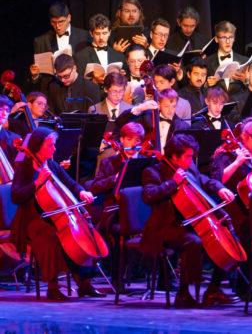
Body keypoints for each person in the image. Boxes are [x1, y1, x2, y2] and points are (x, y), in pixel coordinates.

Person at [140, 133, 235, 308]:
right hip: (165, 227)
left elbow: (204, 181)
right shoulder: (153, 171)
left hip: (189, 224)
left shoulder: (189, 168)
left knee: (225, 231)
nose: (192, 160)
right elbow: (149, 195)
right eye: (188, 156)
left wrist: (220, 188)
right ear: (174, 157)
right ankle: (184, 293)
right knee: (194, 242)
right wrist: (172, 183)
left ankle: (213, 288)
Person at [10, 127, 104, 301]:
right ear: (38, 146)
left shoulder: (51, 165)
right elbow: (16, 196)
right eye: (50, 145)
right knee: (51, 236)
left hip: (55, 215)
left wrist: (82, 192)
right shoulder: (24, 167)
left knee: (81, 231)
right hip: (32, 219)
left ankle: (84, 282)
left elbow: (71, 184)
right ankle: (52, 286)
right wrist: (36, 184)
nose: (54, 149)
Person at [209, 117, 252, 299]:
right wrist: (237, 162)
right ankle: (232, 287)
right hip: (231, 207)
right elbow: (216, 180)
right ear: (244, 136)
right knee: (246, 230)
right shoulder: (228, 154)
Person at [89, 122, 145, 233]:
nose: (133, 144)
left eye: (137, 140)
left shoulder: (146, 161)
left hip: (141, 208)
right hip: (116, 210)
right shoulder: (109, 162)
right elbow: (94, 187)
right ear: (122, 140)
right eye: (129, 139)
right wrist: (115, 178)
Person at [206, 21, 249, 95]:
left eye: (231, 37)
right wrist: (207, 84)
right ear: (216, 39)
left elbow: (251, 91)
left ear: (234, 38)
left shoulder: (244, 61)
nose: (228, 41)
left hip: (239, 105)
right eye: (223, 38)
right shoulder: (207, 62)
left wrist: (246, 81)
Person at [0, 95, 19, 162]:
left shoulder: (14, 138)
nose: (4, 113)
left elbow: (18, 166)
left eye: (7, 110)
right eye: (0, 109)